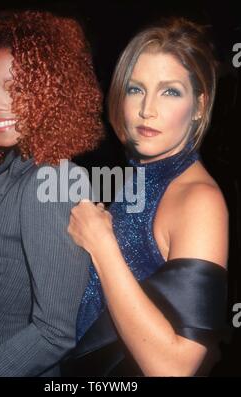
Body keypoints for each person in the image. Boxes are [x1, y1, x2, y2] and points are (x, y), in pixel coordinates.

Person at [63, 17, 229, 376]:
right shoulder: (142, 174)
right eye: (136, 89)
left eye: (170, 91)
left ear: (199, 106)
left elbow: (174, 368)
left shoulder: (199, 200)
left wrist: (101, 243)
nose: (146, 109)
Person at [0, 10, 104, 377]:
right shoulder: (18, 161)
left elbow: (55, 332)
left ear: (52, 92)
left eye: (16, 89)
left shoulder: (52, 180)